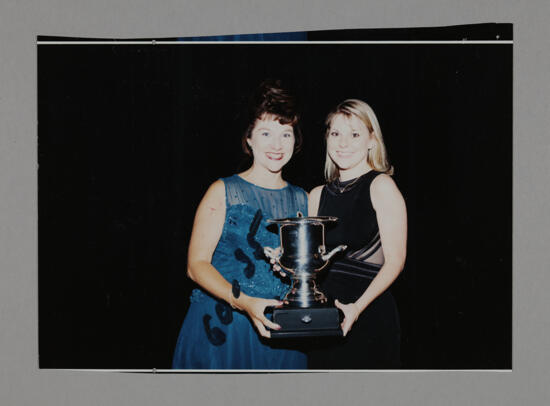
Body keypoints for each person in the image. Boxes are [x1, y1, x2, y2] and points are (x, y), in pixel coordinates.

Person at [172, 80, 308, 369]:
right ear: (249, 138)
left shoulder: (303, 199)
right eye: (266, 132)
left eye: (286, 134)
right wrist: (244, 301)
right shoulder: (222, 190)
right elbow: (196, 265)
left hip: (282, 332)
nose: (277, 144)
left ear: (296, 140)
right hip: (223, 330)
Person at [307, 99, 407, 369]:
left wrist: (357, 308)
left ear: (372, 140)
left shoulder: (382, 186)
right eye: (336, 133)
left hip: (369, 315)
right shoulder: (316, 196)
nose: (343, 143)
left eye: (355, 134)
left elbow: (395, 261)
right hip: (326, 319)